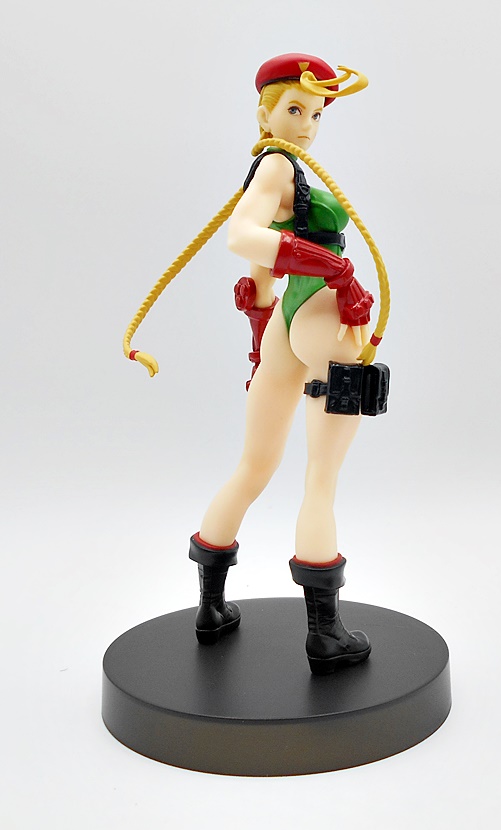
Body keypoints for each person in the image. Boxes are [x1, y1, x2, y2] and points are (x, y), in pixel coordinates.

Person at [123, 54, 390, 674]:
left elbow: (260, 268)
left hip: (286, 322)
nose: (307, 125)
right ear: (264, 113)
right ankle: (325, 635)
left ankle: (210, 607)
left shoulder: (281, 168)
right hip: (321, 318)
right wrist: (335, 269)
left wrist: (262, 320)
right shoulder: (275, 164)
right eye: (295, 109)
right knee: (318, 480)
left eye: (316, 114)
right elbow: (243, 235)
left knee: (252, 467)